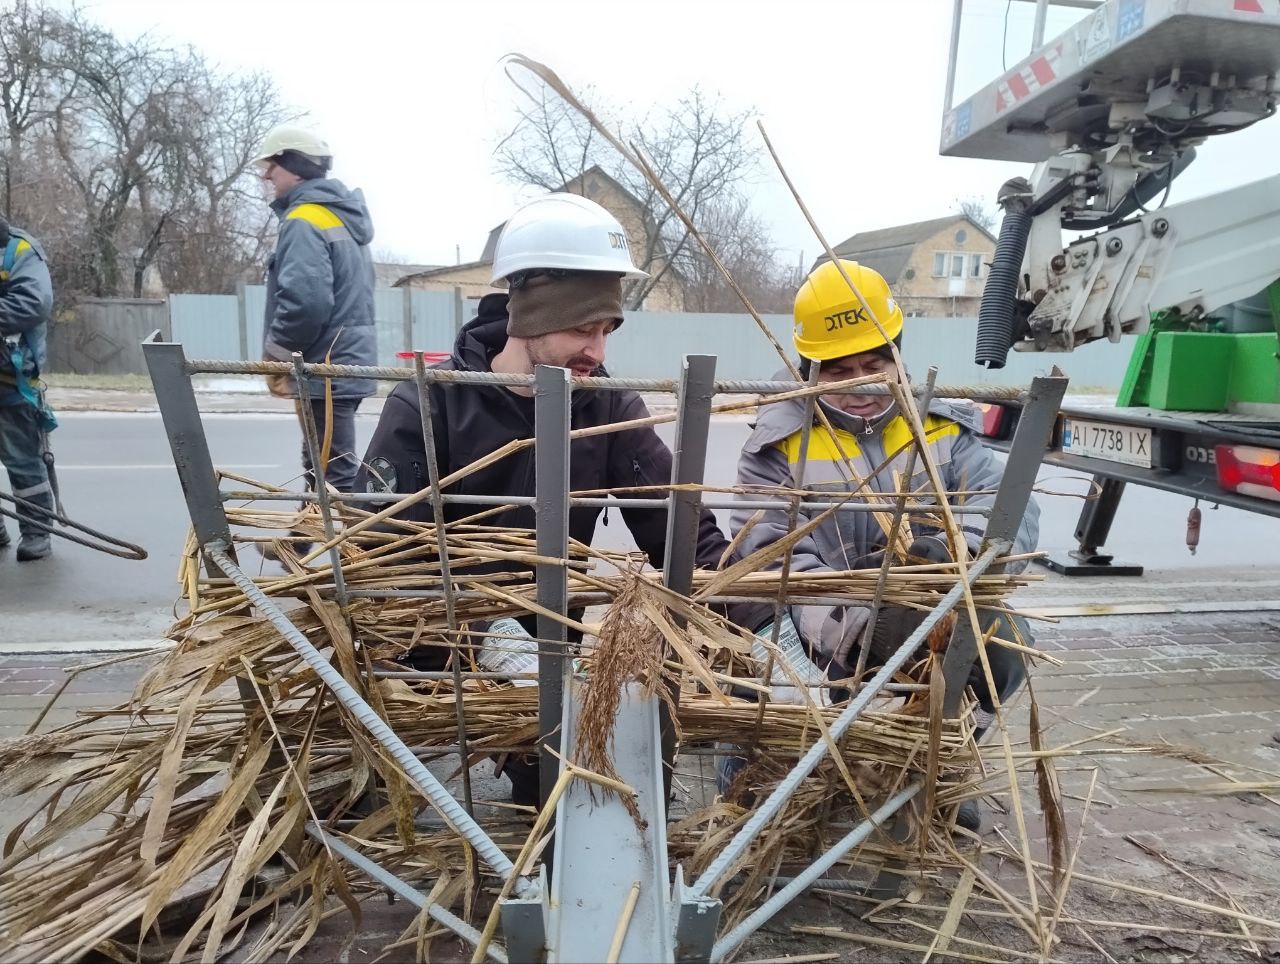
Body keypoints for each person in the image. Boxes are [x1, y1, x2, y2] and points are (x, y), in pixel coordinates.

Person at [355, 192, 731, 802]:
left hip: (548, 650)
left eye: (607, 329)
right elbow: (379, 553)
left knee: (560, 798)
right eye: (582, 327)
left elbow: (682, 533)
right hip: (439, 648)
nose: (598, 352)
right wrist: (483, 631)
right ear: (526, 313)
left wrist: (759, 619)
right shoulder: (432, 404)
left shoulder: (605, 406)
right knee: (376, 788)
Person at [727, 258, 1039, 829]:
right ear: (809, 370)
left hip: (939, 613)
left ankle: (933, 764)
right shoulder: (777, 445)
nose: (864, 386)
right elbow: (770, 559)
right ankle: (769, 771)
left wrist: (952, 562)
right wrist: (860, 626)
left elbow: (1005, 505)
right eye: (839, 370)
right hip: (822, 638)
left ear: (899, 356)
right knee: (765, 681)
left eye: (876, 363)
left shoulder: (940, 427)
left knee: (1005, 644)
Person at [255, 125, 377, 501]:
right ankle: (300, 543)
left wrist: (275, 355)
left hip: (326, 364)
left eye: (271, 167)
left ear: (293, 167)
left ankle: (371, 554)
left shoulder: (304, 219)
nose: (266, 177)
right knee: (319, 462)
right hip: (341, 360)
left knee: (337, 473)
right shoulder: (335, 215)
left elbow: (306, 303)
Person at [0, 217, 56, 562]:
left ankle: (36, 531)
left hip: (9, 378)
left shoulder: (19, 250)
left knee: (22, 461)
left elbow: (33, 303)